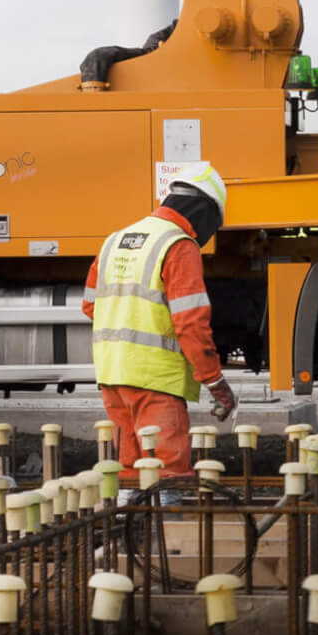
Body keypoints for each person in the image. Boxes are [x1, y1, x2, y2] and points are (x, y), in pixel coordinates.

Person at [83, 161, 237, 478]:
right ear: (204, 211)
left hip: (113, 376)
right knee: (168, 470)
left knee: (129, 468)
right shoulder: (178, 245)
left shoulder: (116, 239)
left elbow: (90, 306)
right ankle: (167, 526)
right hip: (156, 381)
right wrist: (216, 382)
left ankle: (130, 525)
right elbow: (190, 323)